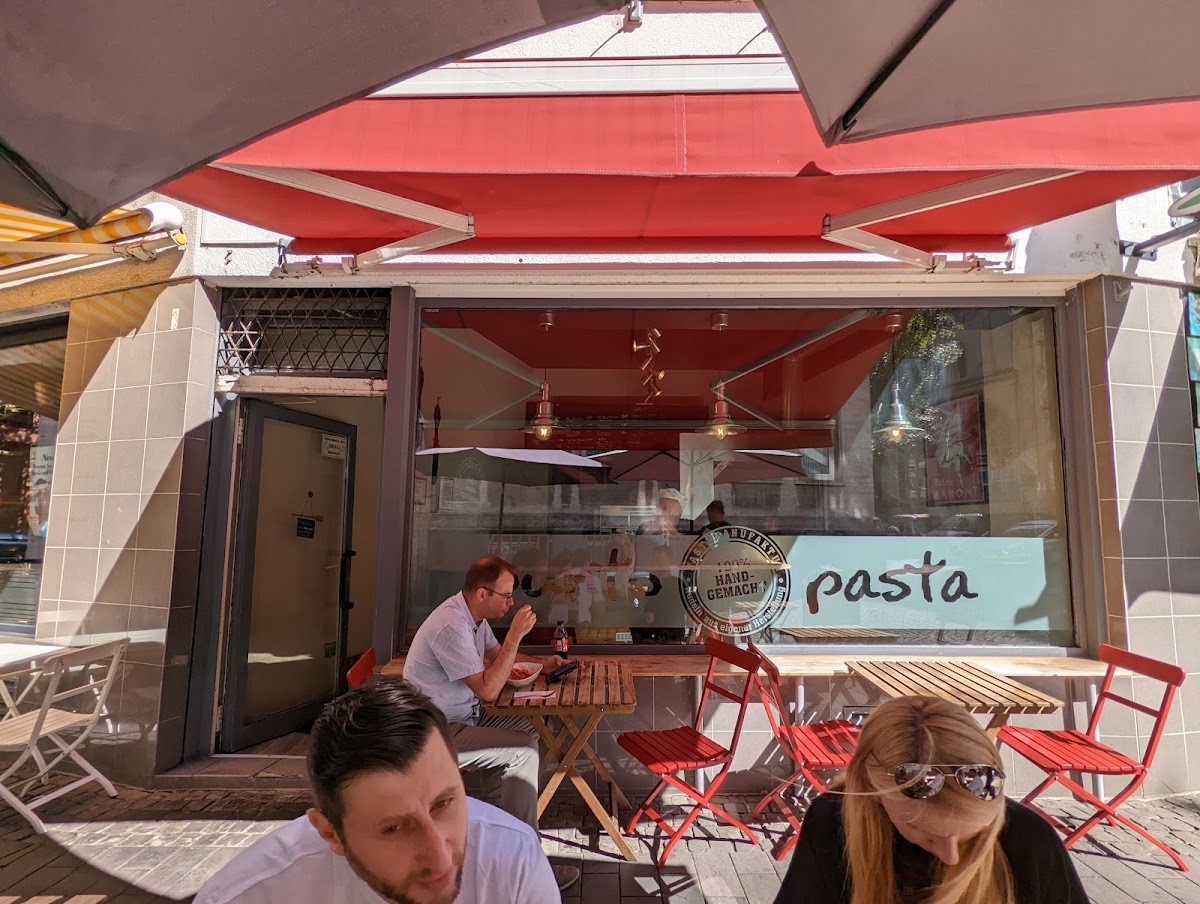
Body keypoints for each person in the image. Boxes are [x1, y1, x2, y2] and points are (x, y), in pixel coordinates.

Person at [193, 678, 559, 904]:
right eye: (393, 828)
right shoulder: (250, 895)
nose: (440, 857)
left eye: (443, 803)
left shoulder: (513, 861)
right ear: (330, 833)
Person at [774, 696, 1089, 904]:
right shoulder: (833, 820)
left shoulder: (1027, 838)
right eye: (926, 833)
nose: (951, 857)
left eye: (972, 835)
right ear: (875, 794)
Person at [402, 555, 578, 892]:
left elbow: (498, 657)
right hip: (435, 733)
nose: (511, 603)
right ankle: (527, 865)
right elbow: (487, 690)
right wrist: (515, 636)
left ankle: (501, 831)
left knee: (531, 728)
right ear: (482, 593)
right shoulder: (451, 625)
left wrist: (543, 663)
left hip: (463, 716)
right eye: (506, 596)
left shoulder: (473, 618)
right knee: (524, 751)